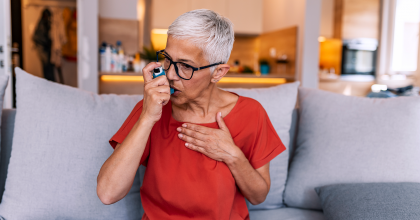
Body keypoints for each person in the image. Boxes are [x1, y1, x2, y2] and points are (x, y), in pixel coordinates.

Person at [97, 9, 286, 220]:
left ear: (218, 73)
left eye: (185, 66)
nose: (169, 75)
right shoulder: (152, 107)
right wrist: (147, 117)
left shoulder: (251, 113)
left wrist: (232, 155)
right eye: (167, 59)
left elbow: (258, 196)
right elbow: (107, 193)